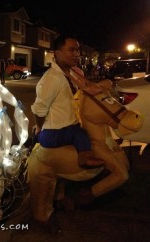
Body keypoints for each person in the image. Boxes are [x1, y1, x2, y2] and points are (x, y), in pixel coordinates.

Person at [32, 34, 105, 170]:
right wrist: (39, 128)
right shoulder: (52, 78)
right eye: (71, 50)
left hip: (68, 126)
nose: (77, 54)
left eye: (78, 50)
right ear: (58, 53)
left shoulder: (72, 73)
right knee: (80, 133)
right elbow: (38, 110)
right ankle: (85, 159)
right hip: (53, 132)